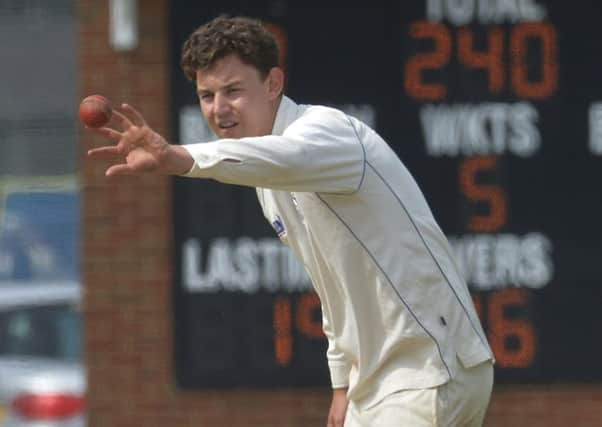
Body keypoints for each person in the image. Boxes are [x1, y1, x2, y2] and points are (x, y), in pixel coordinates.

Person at [87, 15, 495, 427]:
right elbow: (331, 282)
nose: (219, 109)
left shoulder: (326, 133)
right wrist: (342, 383)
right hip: (376, 384)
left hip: (429, 368)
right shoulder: (270, 183)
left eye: (233, 91)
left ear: (273, 83)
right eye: (206, 95)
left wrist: (177, 158)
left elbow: (285, 156)